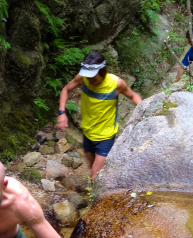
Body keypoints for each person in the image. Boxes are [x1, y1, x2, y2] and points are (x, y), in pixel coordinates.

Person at [56, 51, 141, 180]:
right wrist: (62, 112)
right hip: (88, 132)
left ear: (102, 72)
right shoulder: (83, 78)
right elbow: (66, 89)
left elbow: (133, 95)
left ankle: (95, 198)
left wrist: (144, 109)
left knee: (96, 175)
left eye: (93, 77)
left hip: (105, 137)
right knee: (92, 168)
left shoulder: (116, 84)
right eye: (88, 76)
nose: (89, 80)